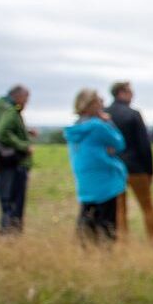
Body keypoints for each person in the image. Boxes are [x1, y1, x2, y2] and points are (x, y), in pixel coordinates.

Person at [64, 89, 126, 244]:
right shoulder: (98, 126)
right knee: (106, 221)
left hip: (85, 178)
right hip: (105, 178)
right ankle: (104, 254)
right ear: (91, 104)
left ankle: (86, 249)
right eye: (99, 101)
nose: (102, 104)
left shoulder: (75, 128)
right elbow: (119, 143)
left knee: (87, 215)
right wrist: (108, 122)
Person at [106, 81, 153, 241]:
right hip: (136, 167)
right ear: (121, 92)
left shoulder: (104, 113)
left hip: (114, 166)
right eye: (130, 91)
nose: (132, 95)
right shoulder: (133, 114)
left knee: (119, 208)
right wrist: (150, 170)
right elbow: (144, 145)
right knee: (147, 207)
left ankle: (123, 241)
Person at [0, 84, 35, 234]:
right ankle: (10, 237)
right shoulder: (10, 110)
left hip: (3, 163)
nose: (27, 102)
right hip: (12, 164)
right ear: (18, 96)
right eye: (26, 98)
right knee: (13, 204)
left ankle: (7, 235)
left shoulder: (3, 108)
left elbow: (1, 130)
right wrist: (23, 145)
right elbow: (2, 132)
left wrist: (25, 132)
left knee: (7, 202)